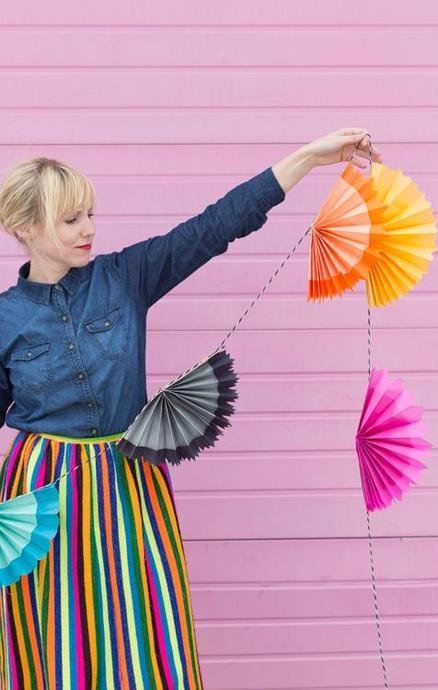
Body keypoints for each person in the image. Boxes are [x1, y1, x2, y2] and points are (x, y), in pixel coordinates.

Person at [0, 127, 381, 689]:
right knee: (57, 638)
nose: (90, 230)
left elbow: (214, 226)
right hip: (43, 497)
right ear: (26, 230)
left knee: (147, 628)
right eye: (71, 219)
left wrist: (307, 158)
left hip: (132, 480)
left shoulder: (124, 276)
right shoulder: (6, 319)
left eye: (90, 214)